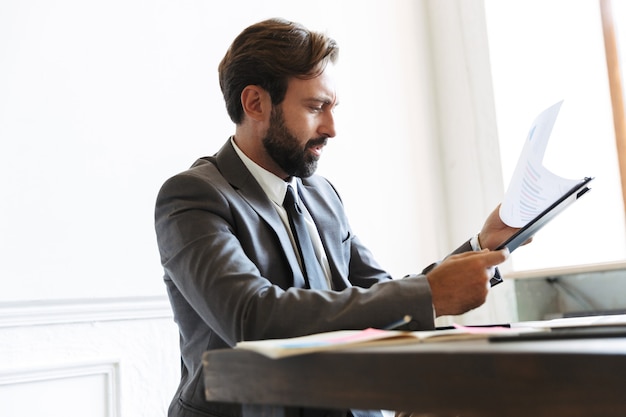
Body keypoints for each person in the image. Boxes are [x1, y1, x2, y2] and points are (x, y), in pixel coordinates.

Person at [155, 17, 518, 417]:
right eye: (315, 107)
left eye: (332, 108)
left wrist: (483, 247)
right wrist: (430, 293)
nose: (331, 128)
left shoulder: (322, 195)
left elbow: (381, 295)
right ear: (255, 103)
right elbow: (252, 317)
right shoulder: (193, 196)